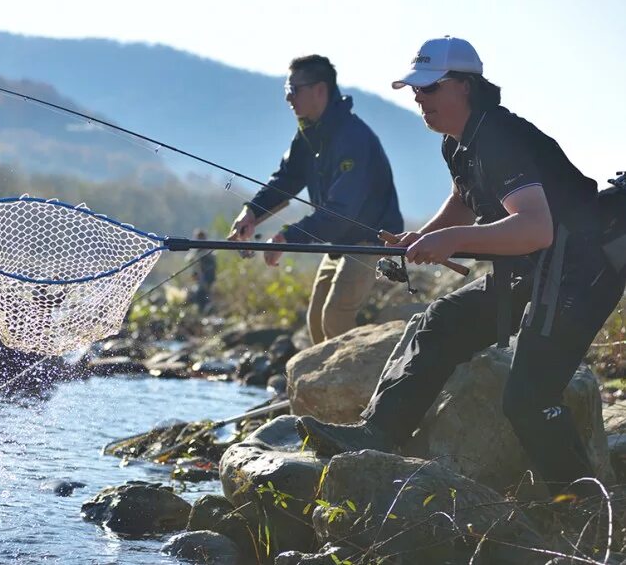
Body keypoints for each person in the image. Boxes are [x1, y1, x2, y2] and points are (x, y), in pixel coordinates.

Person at [296, 36, 626, 496]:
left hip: (580, 269)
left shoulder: (499, 137)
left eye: (429, 88)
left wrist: (450, 241)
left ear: (464, 87)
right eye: (415, 89)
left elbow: (535, 228)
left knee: (529, 399)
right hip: (535, 267)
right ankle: (379, 433)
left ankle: (580, 503)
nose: (418, 97)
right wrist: (423, 236)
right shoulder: (458, 142)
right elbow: (463, 202)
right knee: (442, 321)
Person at [228, 55, 403, 344]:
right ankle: (328, 389)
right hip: (340, 242)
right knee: (316, 322)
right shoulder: (309, 135)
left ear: (319, 90)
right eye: (286, 89)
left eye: (293, 89)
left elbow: (339, 212)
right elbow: (285, 180)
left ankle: (359, 387)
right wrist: (251, 213)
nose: (288, 97)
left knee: (335, 318)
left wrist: (287, 237)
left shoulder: (353, 138)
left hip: (371, 242)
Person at [185, 229, 217, 313]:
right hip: (199, 280)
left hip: (207, 279)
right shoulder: (195, 252)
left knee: (204, 296)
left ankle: (206, 312)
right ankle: (200, 312)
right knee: (197, 295)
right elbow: (189, 260)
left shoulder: (209, 252)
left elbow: (212, 266)